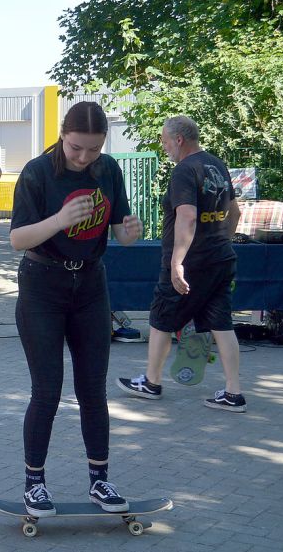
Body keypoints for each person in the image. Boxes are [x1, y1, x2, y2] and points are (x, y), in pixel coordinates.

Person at [9, 101, 143, 518]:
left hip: (89, 286)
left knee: (93, 391)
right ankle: (34, 484)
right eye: (75, 148)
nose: (84, 158)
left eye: (93, 149)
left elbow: (119, 229)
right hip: (42, 286)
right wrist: (61, 218)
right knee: (47, 392)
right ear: (62, 135)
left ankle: (100, 481)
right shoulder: (37, 172)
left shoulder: (109, 171)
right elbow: (18, 239)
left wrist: (129, 231)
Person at [117, 116, 245, 412]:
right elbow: (234, 213)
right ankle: (233, 393)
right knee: (222, 323)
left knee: (161, 317)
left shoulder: (184, 171)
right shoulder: (217, 164)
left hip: (191, 263)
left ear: (178, 140)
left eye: (164, 141)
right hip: (221, 258)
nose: (164, 147)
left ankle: (151, 382)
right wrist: (218, 242)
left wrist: (177, 263)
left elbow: (186, 217)